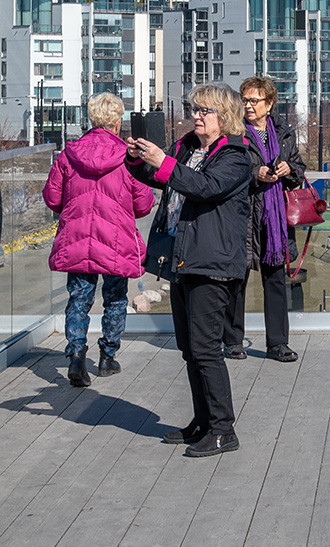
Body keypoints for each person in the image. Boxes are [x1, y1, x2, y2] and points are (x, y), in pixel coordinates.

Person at [127, 83, 251, 457]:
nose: (196, 115)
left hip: (211, 262)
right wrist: (139, 159)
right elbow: (160, 178)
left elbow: (204, 187)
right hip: (183, 258)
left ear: (224, 116)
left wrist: (162, 163)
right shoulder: (187, 146)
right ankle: (203, 421)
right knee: (190, 349)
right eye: (194, 109)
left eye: (204, 111)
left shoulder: (235, 155)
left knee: (206, 350)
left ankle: (222, 429)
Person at [43, 93, 155, 387]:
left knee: (79, 298)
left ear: (91, 119)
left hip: (77, 237)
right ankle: (107, 357)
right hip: (116, 241)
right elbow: (144, 204)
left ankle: (77, 354)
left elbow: (52, 197)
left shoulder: (69, 154)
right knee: (116, 298)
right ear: (118, 122)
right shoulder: (127, 157)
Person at [227, 76, 306, 362]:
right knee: (238, 279)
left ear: (269, 104)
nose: (248, 105)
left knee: (275, 282)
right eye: (245, 100)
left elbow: (299, 169)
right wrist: (254, 173)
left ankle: (278, 343)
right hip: (244, 215)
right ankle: (233, 340)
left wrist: (289, 169)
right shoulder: (235, 131)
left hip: (275, 220)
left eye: (254, 100)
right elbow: (227, 169)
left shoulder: (284, 132)